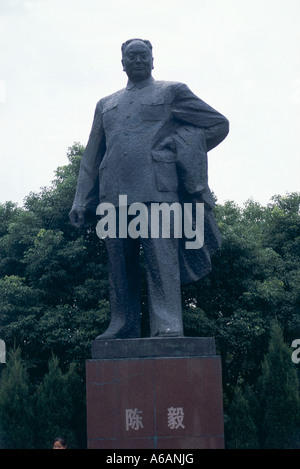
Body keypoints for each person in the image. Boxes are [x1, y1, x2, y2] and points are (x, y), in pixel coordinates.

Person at [69, 38, 229, 340]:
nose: (138, 60)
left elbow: (217, 124)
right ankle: (122, 324)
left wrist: (179, 146)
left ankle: (167, 323)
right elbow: (92, 154)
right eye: (132, 56)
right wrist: (81, 199)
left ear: (153, 60)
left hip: (158, 189)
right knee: (119, 265)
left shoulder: (171, 92)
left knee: (161, 258)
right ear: (123, 63)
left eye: (144, 55)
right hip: (113, 195)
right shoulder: (106, 104)